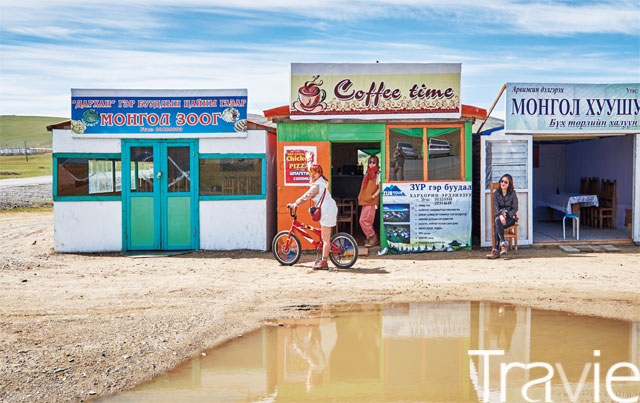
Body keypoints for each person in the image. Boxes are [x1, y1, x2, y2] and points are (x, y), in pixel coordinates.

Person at [287, 164, 338, 270]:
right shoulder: (321, 183)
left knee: (326, 239)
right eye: (310, 172)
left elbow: (306, 196)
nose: (311, 175)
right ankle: (322, 258)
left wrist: (295, 204)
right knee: (324, 236)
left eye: (314, 173)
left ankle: (324, 262)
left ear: (319, 173)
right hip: (328, 209)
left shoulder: (317, 186)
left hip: (327, 211)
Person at [487, 174, 518, 259]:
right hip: (500, 217)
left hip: (510, 218)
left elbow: (515, 208)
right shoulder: (496, 193)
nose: (503, 183)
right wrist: (501, 216)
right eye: (501, 181)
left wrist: (506, 214)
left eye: (505, 182)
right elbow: (496, 208)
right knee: (497, 221)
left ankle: (496, 250)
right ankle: (503, 244)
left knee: (497, 224)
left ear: (509, 184)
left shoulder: (513, 193)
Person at [358, 155, 381, 247]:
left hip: (371, 201)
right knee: (365, 220)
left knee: (364, 220)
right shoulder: (367, 173)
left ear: (377, 163)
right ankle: (369, 237)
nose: (371, 164)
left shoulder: (378, 173)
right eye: (370, 162)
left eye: (373, 162)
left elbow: (380, 187)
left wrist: (373, 196)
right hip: (365, 200)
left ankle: (373, 238)